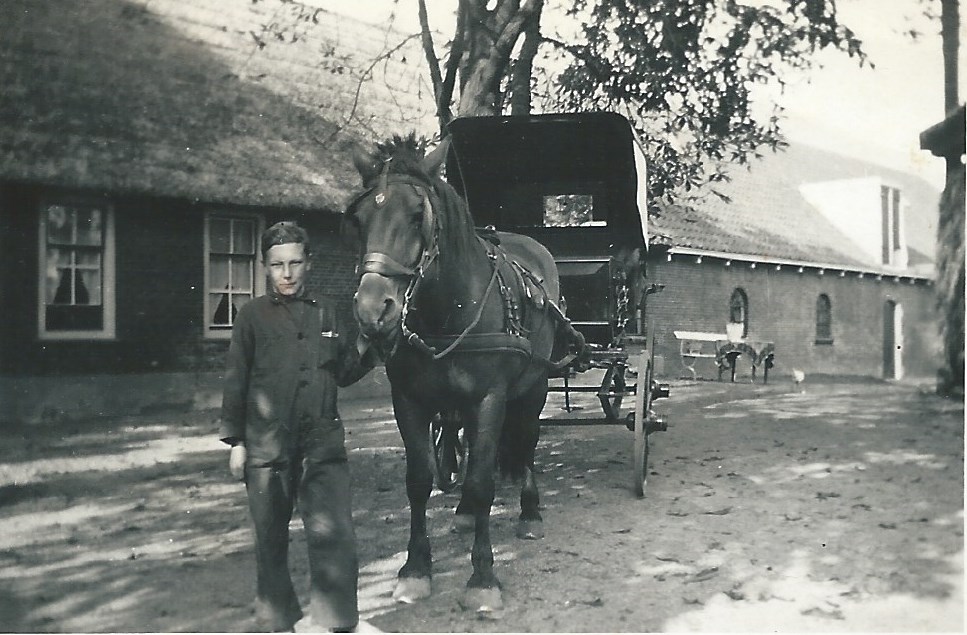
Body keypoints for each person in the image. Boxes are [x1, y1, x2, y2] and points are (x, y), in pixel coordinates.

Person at [220, 221, 376, 633]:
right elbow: (236, 380)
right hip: (267, 446)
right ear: (265, 267)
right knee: (270, 538)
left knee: (334, 532)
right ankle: (278, 618)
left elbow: (344, 371)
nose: (286, 274)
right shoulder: (250, 316)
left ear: (309, 263)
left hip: (322, 442)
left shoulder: (330, 310)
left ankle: (336, 619)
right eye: (276, 265)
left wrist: (373, 346)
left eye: (294, 263)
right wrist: (236, 441)